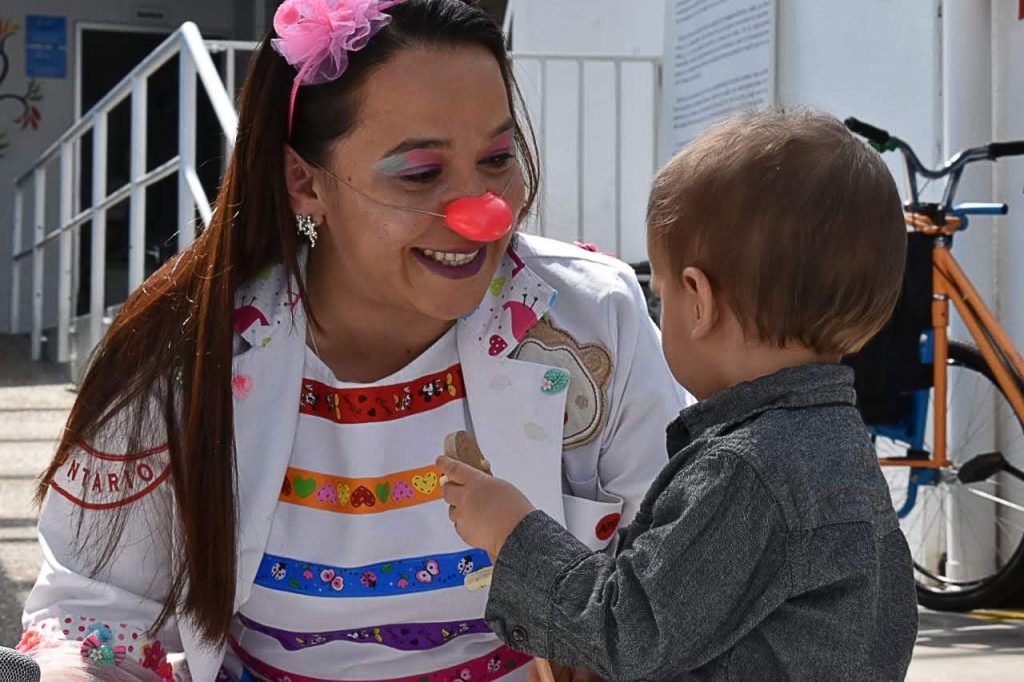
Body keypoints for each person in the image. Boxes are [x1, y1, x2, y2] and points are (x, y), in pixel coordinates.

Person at [17, 1, 683, 679]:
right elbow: (101, 610)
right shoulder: (186, 349)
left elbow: (673, 574)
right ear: (305, 183)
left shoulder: (592, 318)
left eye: (497, 158)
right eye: (420, 173)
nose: (482, 213)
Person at [440, 110, 920, 681]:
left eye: (662, 295)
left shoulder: (748, 472)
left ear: (699, 298)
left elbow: (628, 630)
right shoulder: (836, 445)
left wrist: (511, 529)